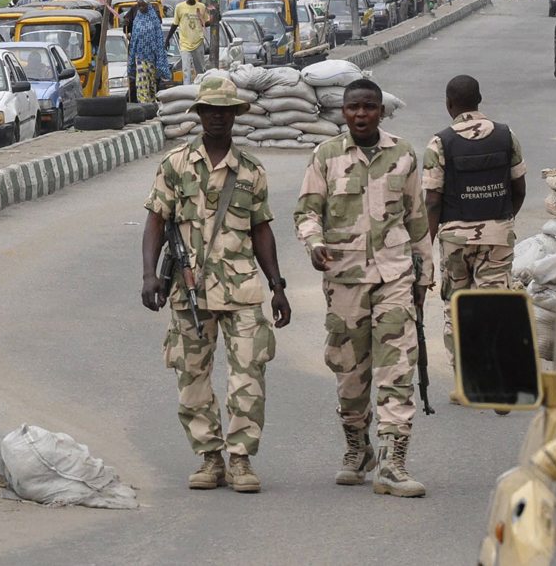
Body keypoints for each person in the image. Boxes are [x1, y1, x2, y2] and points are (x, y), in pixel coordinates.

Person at [141, 76, 291, 493]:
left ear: (235, 115)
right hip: (188, 288)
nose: (217, 118)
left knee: (249, 374)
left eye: (225, 111)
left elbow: (261, 228)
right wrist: (149, 274)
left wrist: (277, 285)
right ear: (200, 114)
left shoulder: (251, 170)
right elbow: (155, 221)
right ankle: (210, 456)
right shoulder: (175, 165)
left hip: (241, 289)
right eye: (210, 110)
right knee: (191, 376)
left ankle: (240, 459)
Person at [294, 78, 431, 499]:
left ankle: (393, 462)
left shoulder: (403, 154)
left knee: (397, 369)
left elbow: (417, 218)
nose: (360, 114)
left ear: (380, 111)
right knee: (350, 374)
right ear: (343, 112)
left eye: (369, 107)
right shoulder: (326, 156)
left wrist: (424, 276)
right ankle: (358, 448)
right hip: (345, 280)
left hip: (394, 278)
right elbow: (307, 211)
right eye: (353, 107)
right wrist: (314, 244)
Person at [422, 75, 526, 374]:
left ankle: (464, 378)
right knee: (494, 306)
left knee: (457, 307)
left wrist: (426, 249)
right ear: (479, 99)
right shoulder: (506, 135)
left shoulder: (440, 142)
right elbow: (519, 189)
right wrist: (502, 220)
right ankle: (494, 376)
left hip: (455, 241)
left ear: (448, 104)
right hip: (497, 236)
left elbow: (433, 201)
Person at [126, 0, 170, 103]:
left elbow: (159, 38)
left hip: (152, 57)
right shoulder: (137, 20)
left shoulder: (154, 20)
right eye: (139, 6)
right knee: (141, 82)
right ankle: (143, 103)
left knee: (151, 83)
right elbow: (134, 40)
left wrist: (160, 56)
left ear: (148, 6)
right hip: (140, 57)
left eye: (143, 6)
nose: (141, 8)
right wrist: (131, 58)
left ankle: (151, 104)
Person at [172, 0, 209, 82]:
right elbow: (175, 24)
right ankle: (186, 86)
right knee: (186, 69)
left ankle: (200, 85)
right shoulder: (179, 7)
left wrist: (214, 20)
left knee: (200, 69)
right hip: (185, 43)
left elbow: (205, 23)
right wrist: (167, 39)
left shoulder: (201, 7)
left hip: (198, 42)